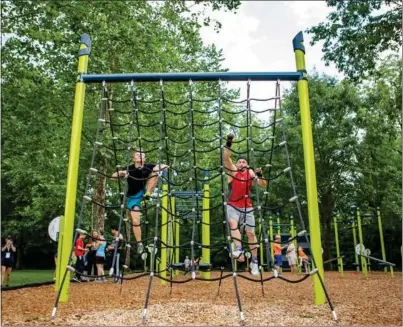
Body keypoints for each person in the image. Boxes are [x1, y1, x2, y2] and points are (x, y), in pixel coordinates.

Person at [224, 134, 267, 276]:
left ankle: (254, 261)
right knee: (232, 223)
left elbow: (262, 185)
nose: (241, 163)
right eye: (240, 161)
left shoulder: (250, 173)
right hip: (232, 204)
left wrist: (259, 175)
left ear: (247, 164)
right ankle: (239, 248)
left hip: (247, 206)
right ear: (237, 164)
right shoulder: (232, 171)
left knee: (250, 233)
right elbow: (226, 157)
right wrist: (229, 142)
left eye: (244, 162)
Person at [111, 149, 168, 254]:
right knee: (136, 221)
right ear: (134, 158)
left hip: (145, 191)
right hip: (134, 197)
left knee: (155, 171)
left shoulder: (148, 166)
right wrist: (122, 172)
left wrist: (163, 167)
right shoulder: (129, 168)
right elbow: (113, 177)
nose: (140, 156)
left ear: (145, 158)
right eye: (138, 154)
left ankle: (147, 195)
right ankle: (139, 243)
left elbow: (164, 165)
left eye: (142, 155)